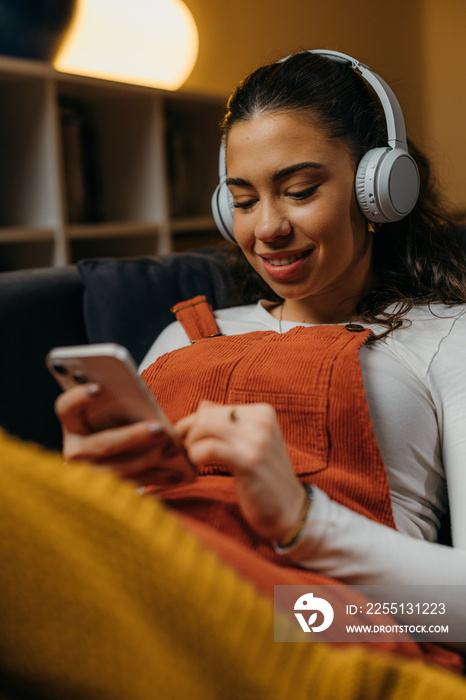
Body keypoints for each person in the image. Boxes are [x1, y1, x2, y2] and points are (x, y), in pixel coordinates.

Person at [56, 50, 466, 669]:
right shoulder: (188, 334)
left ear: (381, 187)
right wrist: (85, 491)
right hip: (134, 604)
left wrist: (305, 523)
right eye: (243, 201)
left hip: (304, 624)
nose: (267, 227)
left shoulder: (443, 338)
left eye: (299, 191)